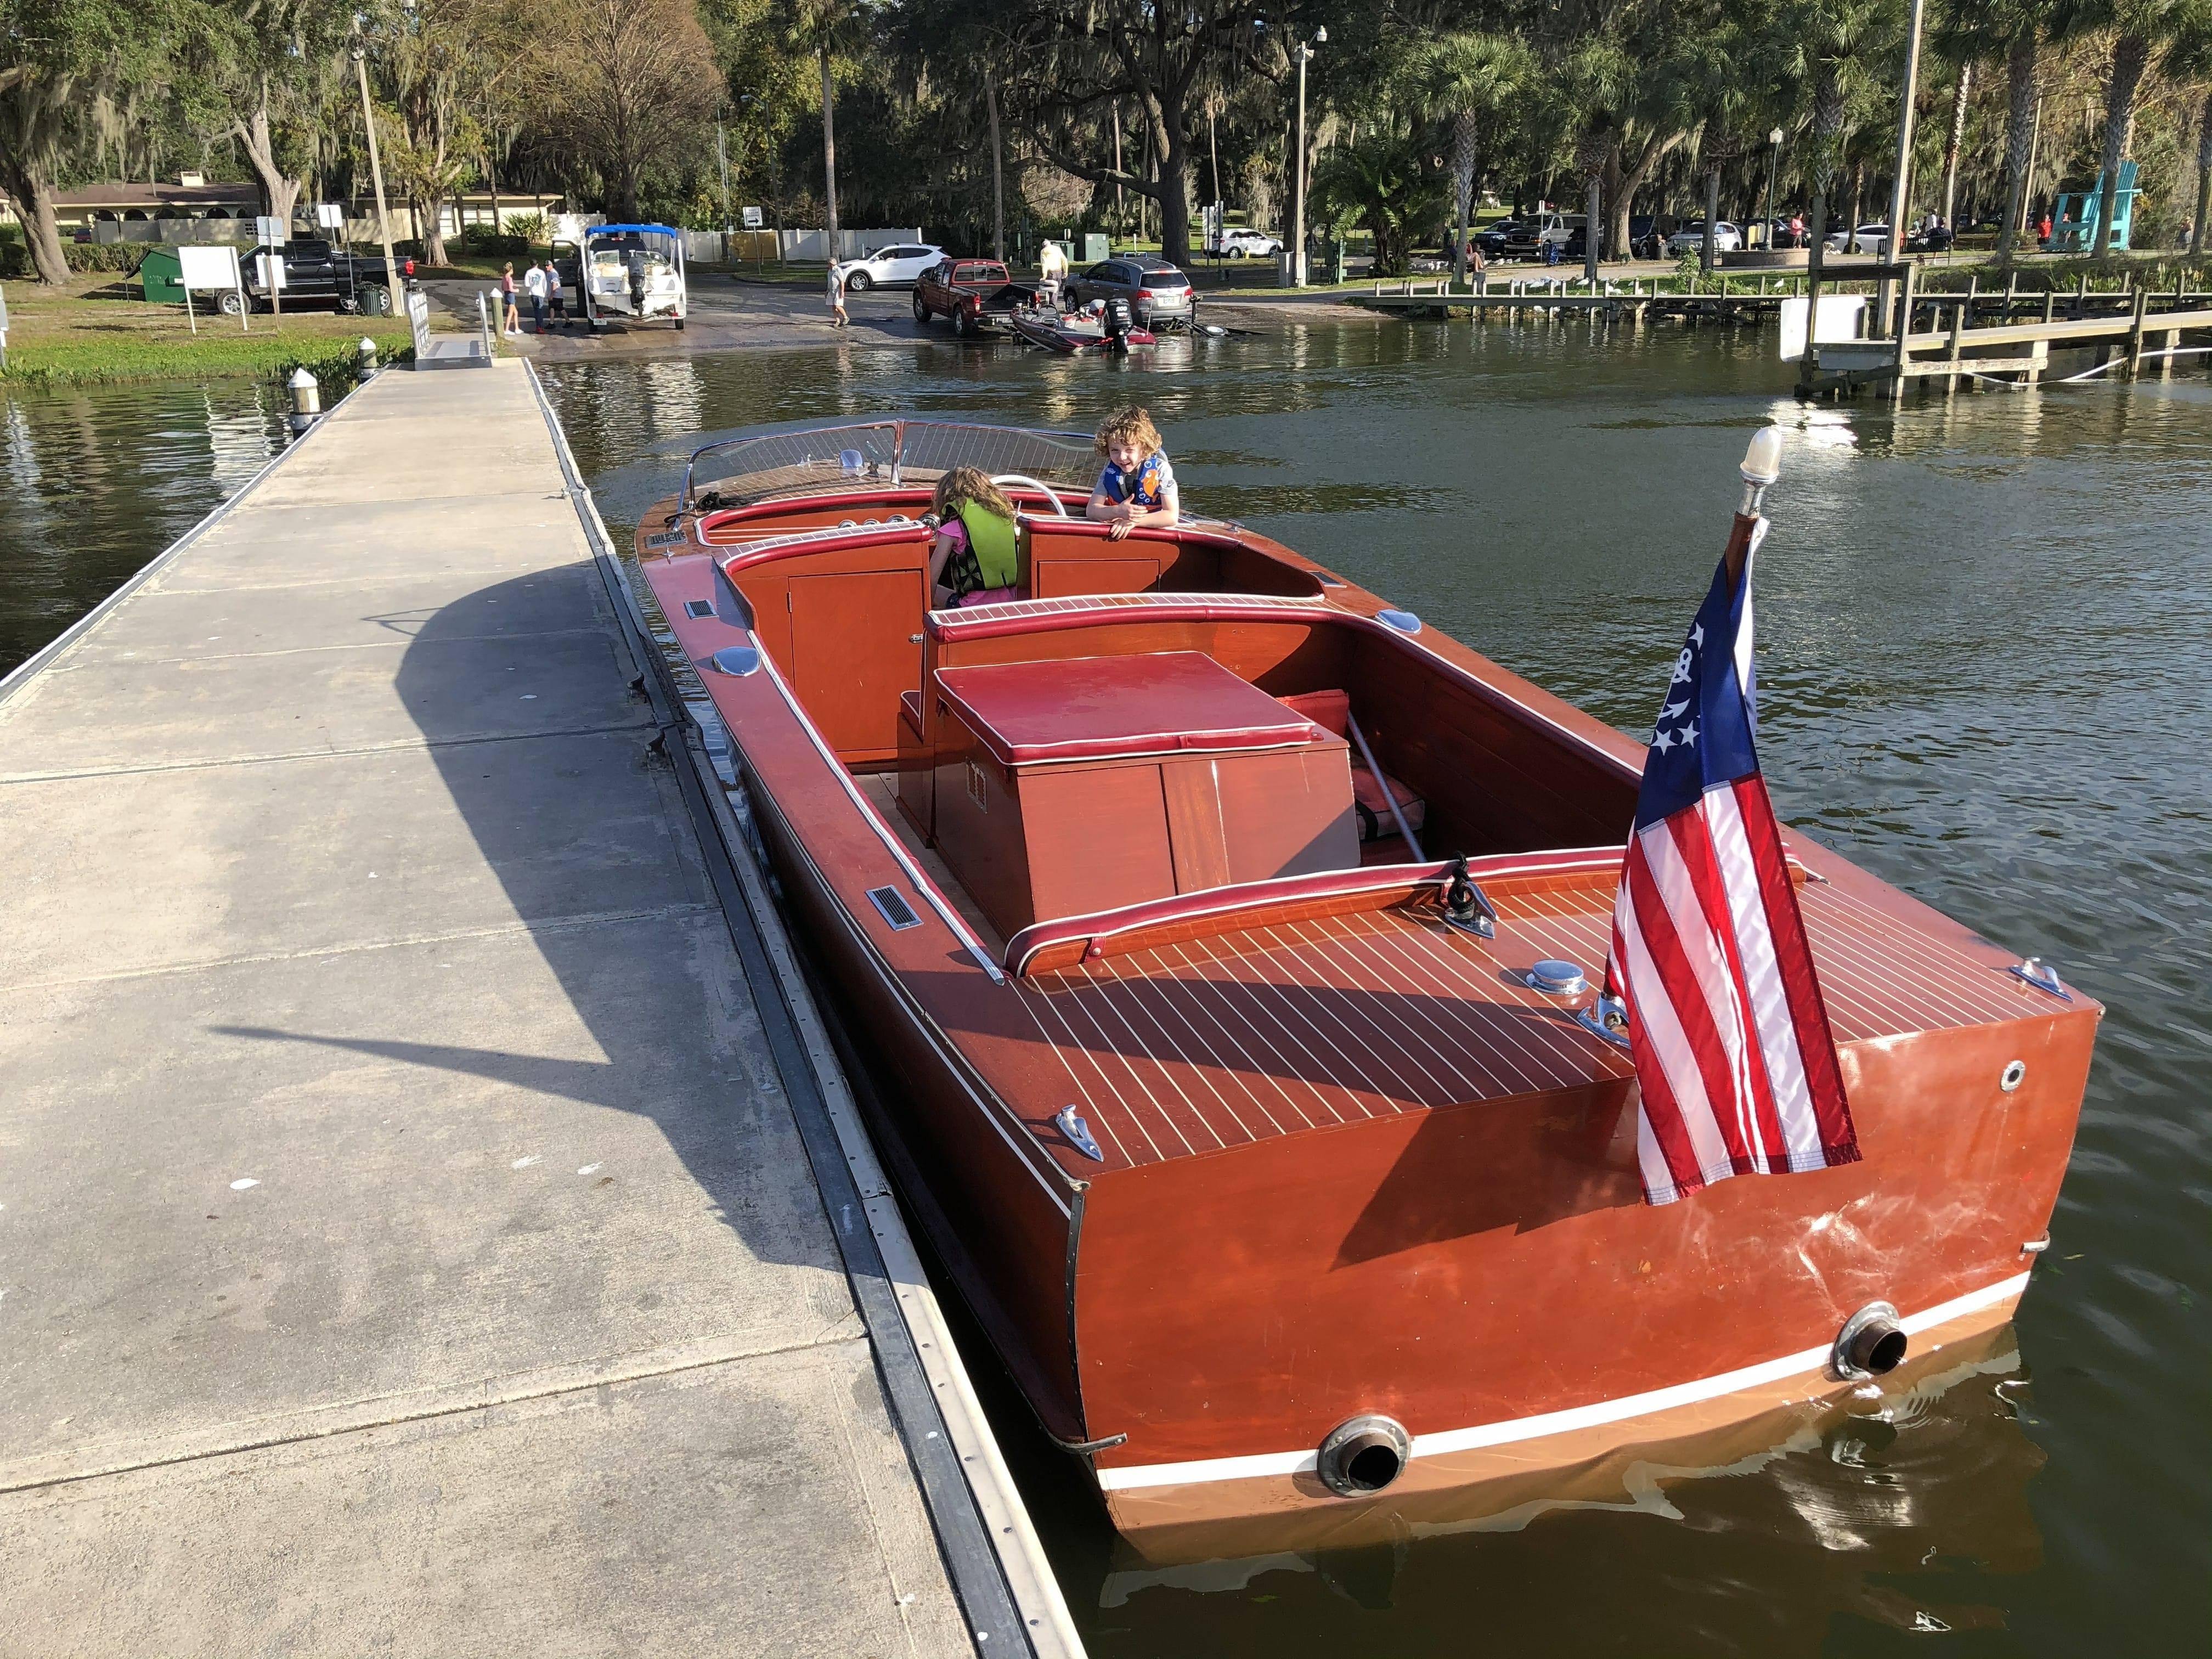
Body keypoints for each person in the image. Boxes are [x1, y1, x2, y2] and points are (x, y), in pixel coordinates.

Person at [927, 467, 1022, 608]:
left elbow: (931, 579)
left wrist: (925, 612)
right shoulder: (1005, 520)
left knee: (926, 592)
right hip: (1010, 604)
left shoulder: (953, 529)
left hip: (971, 609)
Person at [1087, 405, 1178, 543]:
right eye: (1115, 450)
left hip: (1155, 539)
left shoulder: (1161, 470)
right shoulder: (1109, 471)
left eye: (1129, 450)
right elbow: (1092, 510)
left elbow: (1171, 517)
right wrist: (1118, 511)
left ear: (1144, 448)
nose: (1122, 458)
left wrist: (1133, 521)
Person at [523, 258, 548, 334]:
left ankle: (538, 326)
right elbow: (545, 284)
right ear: (537, 264)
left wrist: (532, 284)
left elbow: (527, 284)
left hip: (533, 293)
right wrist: (545, 293)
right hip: (540, 293)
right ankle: (540, 326)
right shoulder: (542, 273)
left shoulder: (529, 272)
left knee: (536, 310)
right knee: (540, 310)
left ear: (531, 265)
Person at [543, 257, 566, 326]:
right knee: (552, 308)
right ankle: (552, 323)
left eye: (548, 266)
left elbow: (554, 284)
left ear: (551, 265)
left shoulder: (554, 273)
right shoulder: (549, 273)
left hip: (557, 295)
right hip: (553, 295)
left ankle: (568, 321)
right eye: (545, 266)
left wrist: (552, 295)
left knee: (560, 309)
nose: (546, 267)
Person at [499, 262, 520, 335]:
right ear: (511, 270)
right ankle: (506, 329)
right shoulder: (509, 278)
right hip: (511, 295)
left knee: (515, 312)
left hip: (506, 294)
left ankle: (517, 328)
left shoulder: (504, 277)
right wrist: (516, 290)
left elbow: (502, 287)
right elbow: (511, 289)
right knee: (510, 313)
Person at [827, 259, 848, 329]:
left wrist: (842, 291)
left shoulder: (838, 270)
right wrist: (827, 290)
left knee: (837, 305)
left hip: (837, 290)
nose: (827, 265)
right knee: (833, 306)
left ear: (831, 264)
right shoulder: (830, 271)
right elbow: (830, 282)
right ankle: (837, 321)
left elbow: (842, 282)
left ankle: (845, 317)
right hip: (831, 290)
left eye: (828, 263)